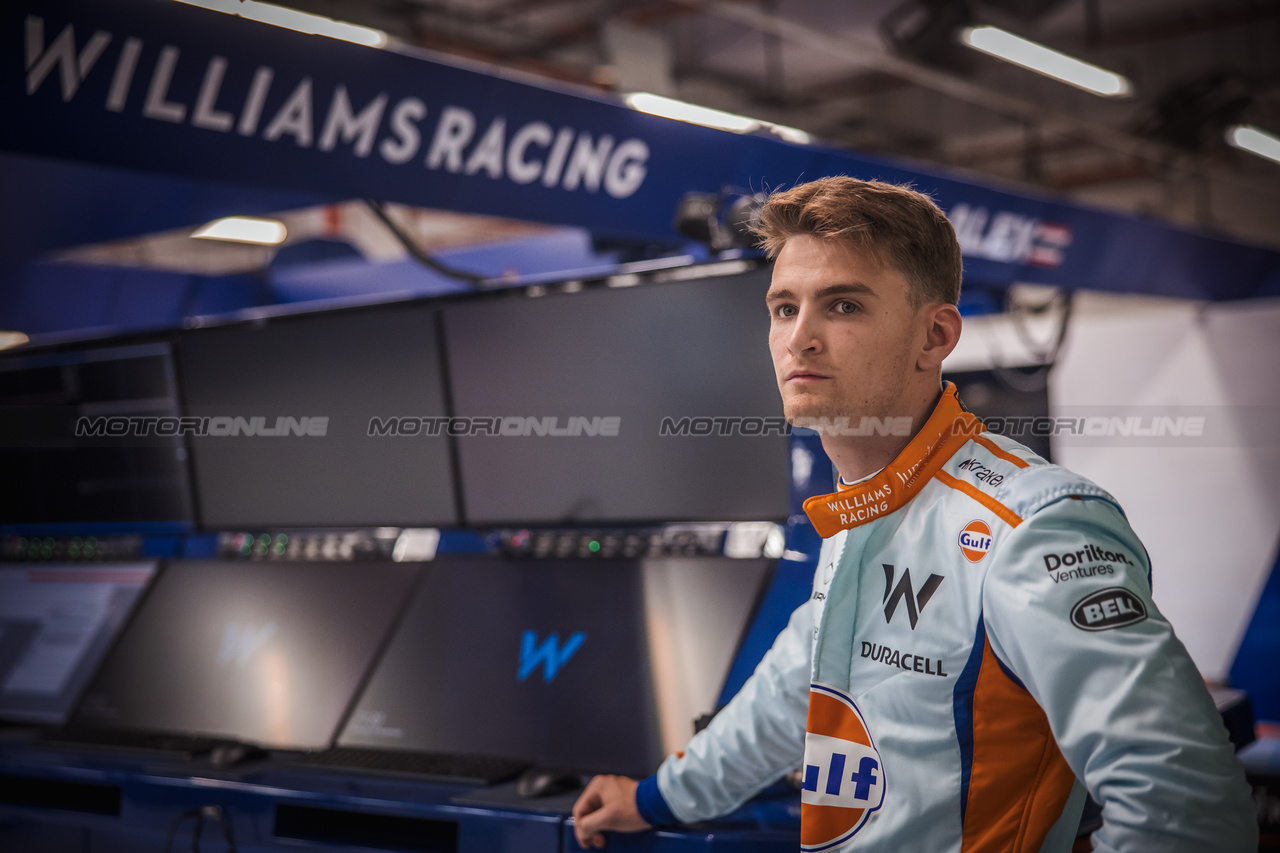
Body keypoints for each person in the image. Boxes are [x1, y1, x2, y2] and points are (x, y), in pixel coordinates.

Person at [571, 177, 1257, 851]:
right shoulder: (860, 510)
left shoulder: (1033, 527)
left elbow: (1187, 809)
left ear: (934, 336)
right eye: (784, 308)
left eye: (842, 305)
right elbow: (789, 691)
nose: (799, 338)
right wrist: (656, 797)